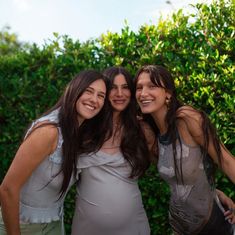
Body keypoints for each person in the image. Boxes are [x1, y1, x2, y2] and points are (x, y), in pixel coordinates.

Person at [0, 69, 108, 235]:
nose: (94, 100)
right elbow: (7, 188)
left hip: (54, 224)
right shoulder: (49, 132)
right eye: (89, 91)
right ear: (74, 90)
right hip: (21, 226)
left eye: (101, 96)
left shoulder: (80, 132)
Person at [135, 64, 235, 235]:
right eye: (139, 87)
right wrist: (215, 191)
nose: (143, 93)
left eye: (152, 86)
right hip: (179, 229)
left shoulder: (186, 118)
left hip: (217, 228)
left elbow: (225, 160)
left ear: (168, 93)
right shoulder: (154, 136)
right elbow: (183, 183)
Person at [71, 66, 151, 235]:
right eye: (113, 88)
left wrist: (210, 190)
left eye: (125, 87)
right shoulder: (84, 128)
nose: (120, 94)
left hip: (133, 226)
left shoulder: (141, 130)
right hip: (86, 227)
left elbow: (171, 166)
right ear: (105, 92)